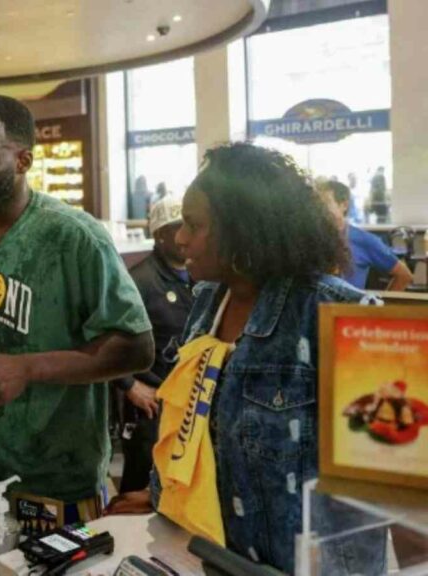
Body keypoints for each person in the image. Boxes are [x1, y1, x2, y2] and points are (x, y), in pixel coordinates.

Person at [106, 143, 386, 574]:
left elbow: (387, 482)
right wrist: (163, 492)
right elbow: (198, 422)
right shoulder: (206, 303)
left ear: (245, 230)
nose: (180, 237)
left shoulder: (341, 318)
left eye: (195, 225)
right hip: (213, 552)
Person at [0, 95, 154, 522]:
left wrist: (28, 368)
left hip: (52, 485)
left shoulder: (73, 236)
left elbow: (136, 347)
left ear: (23, 160)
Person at [112, 195, 193, 493]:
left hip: (191, 403)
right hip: (152, 409)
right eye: (177, 228)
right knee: (140, 489)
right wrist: (129, 385)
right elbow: (107, 336)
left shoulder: (201, 275)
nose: (186, 235)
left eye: (190, 226)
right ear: (159, 236)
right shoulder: (139, 281)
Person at [318, 180, 413, 291]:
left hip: (347, 306)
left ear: (343, 205)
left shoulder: (364, 240)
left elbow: (404, 276)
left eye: (325, 203)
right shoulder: (312, 240)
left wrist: (383, 306)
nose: (319, 209)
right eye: (316, 204)